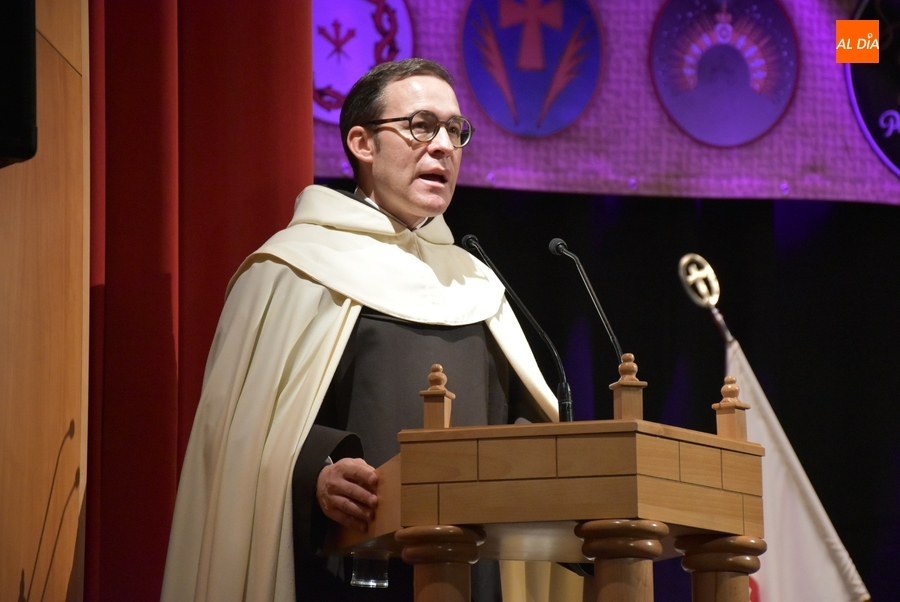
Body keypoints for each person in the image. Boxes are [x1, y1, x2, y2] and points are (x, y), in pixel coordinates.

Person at [160, 58, 559, 602]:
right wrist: (316, 472)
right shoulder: (294, 268)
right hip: (338, 573)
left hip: (465, 573)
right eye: (421, 126)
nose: (443, 145)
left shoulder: (476, 283)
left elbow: (520, 429)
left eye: (456, 130)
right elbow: (240, 440)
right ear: (362, 144)